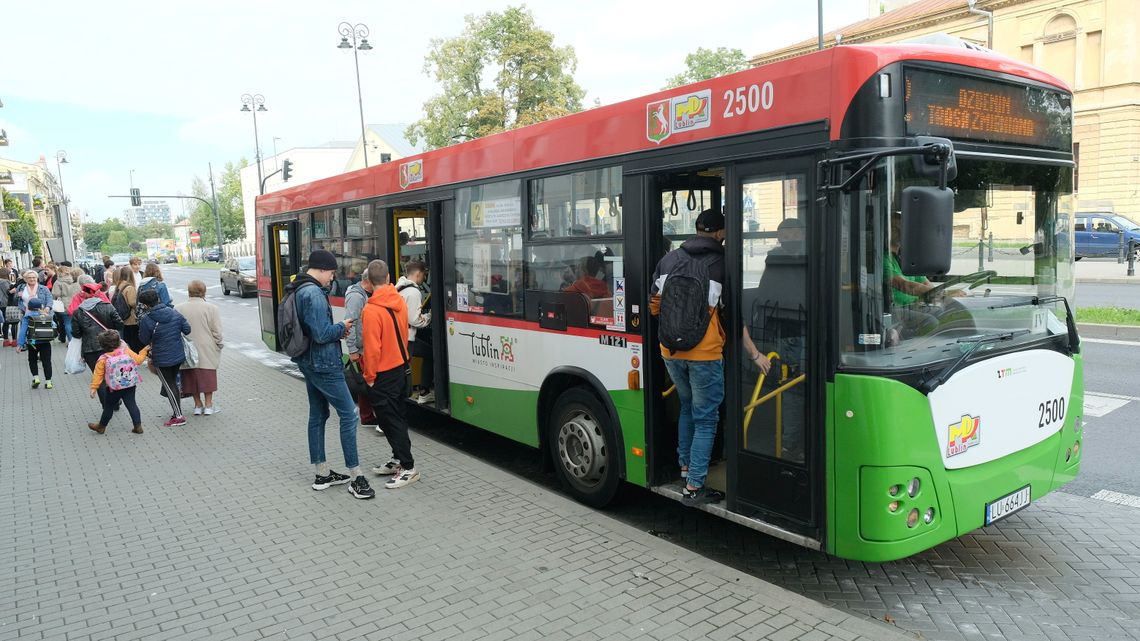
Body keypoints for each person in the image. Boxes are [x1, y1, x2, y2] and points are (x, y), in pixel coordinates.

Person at [650, 208, 732, 506]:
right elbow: (729, 311)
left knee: (686, 406)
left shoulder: (668, 260)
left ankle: (685, 467)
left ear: (697, 228)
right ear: (720, 233)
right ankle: (694, 486)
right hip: (705, 353)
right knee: (706, 418)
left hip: (670, 350)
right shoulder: (723, 263)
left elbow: (654, 306)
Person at [286, 249, 373, 499]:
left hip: (309, 361)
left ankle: (322, 472)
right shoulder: (312, 293)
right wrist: (341, 328)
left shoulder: (299, 287)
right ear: (322, 269)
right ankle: (356, 476)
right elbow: (322, 334)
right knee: (349, 414)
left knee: (318, 414)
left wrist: (335, 330)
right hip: (324, 364)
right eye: (332, 273)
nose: (332, 278)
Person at [361, 259, 420, 489]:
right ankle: (398, 459)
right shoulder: (399, 300)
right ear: (387, 278)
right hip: (401, 367)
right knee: (398, 416)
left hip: (383, 373)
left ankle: (408, 467)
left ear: (369, 281)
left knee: (389, 420)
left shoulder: (371, 310)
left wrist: (369, 377)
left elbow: (372, 349)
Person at [137, 288, 190, 426]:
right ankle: (177, 412)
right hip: (177, 354)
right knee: (172, 383)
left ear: (146, 305)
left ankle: (178, 416)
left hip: (161, 357)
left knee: (169, 385)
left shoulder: (147, 319)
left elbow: (143, 339)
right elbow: (187, 329)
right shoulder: (174, 312)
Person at [71, 279, 124, 408]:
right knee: (113, 374)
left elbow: (76, 333)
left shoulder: (78, 311)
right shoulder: (108, 306)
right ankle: (115, 401)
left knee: (99, 378)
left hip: (90, 349)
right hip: (110, 346)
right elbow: (119, 324)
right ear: (97, 293)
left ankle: (106, 405)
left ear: (85, 294)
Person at [175, 280, 224, 416]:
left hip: (187, 347)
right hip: (207, 346)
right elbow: (216, 330)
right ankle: (208, 405)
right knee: (208, 375)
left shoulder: (179, 308)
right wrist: (219, 344)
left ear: (189, 292)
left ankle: (197, 405)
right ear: (204, 292)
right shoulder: (212, 308)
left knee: (191, 376)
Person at [87, 329, 148, 435]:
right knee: (132, 404)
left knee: (109, 407)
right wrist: (144, 351)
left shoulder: (103, 359)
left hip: (113, 388)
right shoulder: (126, 352)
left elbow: (98, 375)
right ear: (119, 342)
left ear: (102, 346)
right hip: (130, 385)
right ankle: (138, 426)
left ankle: (101, 427)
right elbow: (139, 360)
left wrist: (93, 388)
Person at [343, 268, 382, 433]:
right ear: (369, 281)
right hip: (360, 347)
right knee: (365, 382)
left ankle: (367, 416)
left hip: (365, 345)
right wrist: (352, 350)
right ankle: (367, 416)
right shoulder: (356, 297)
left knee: (365, 382)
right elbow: (350, 325)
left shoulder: (363, 294)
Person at [396, 260, 433, 404]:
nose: (424, 278)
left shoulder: (400, 287)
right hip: (406, 338)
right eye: (424, 275)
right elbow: (415, 320)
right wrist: (429, 316)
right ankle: (424, 391)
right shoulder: (413, 292)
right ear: (418, 274)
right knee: (431, 354)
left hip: (398, 336)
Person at [16, 298, 56, 389]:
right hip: (45, 342)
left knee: (32, 360)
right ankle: (48, 382)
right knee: (47, 361)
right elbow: (54, 326)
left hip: (32, 342)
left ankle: (36, 378)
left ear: (29, 307)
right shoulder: (46, 315)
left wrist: (20, 344)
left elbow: (23, 331)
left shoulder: (27, 317)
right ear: (41, 306)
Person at [113, 266, 142, 351]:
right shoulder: (129, 287)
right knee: (135, 341)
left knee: (128, 339)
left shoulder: (119, 285)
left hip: (123, 316)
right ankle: (136, 357)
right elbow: (132, 302)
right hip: (131, 318)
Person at [52, 266, 80, 343]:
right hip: (75, 304)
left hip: (64, 305)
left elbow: (56, 294)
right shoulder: (74, 280)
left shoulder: (58, 282)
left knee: (67, 323)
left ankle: (71, 341)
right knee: (75, 323)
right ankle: (76, 340)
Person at [0, 267, 16, 347]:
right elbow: (8, 292)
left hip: (2, 303)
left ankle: (6, 340)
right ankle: (13, 340)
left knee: (6, 322)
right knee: (12, 321)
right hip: (7, 303)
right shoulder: (4, 282)